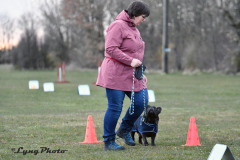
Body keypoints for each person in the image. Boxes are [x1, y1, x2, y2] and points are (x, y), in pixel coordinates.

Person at [96, 1, 150, 151]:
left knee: (141, 101)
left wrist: (140, 71)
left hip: (133, 75)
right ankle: (109, 141)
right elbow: (110, 49)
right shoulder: (118, 25)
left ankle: (124, 128)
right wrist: (130, 61)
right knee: (115, 108)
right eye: (143, 16)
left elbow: (136, 52)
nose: (144, 19)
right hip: (116, 73)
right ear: (134, 14)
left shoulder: (134, 29)